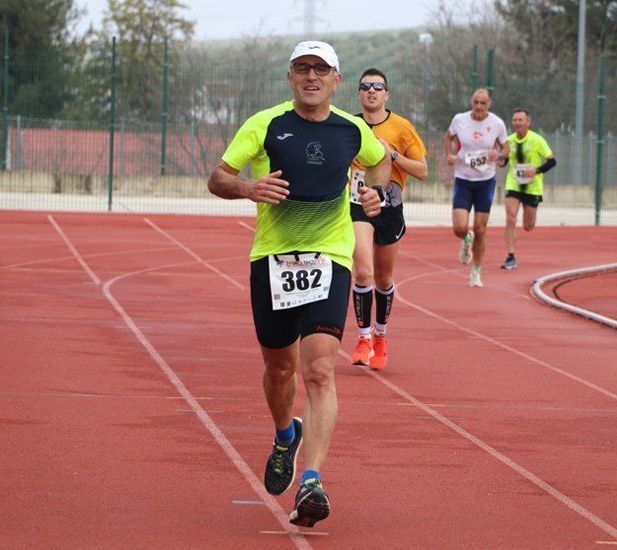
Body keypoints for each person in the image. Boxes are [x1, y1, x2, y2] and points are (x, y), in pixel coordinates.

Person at [207, 41, 389, 528]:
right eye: (303, 69)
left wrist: (371, 192)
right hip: (271, 260)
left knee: (320, 370)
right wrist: (249, 187)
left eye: (321, 70)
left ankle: (312, 481)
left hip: (330, 256)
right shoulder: (265, 124)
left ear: (336, 79)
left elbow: (381, 161)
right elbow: (218, 177)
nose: (312, 77)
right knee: (279, 369)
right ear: (291, 78)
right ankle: (286, 433)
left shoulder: (352, 130)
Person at [348, 68, 428, 370]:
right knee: (363, 272)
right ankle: (363, 337)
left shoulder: (401, 127)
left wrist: (392, 156)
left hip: (390, 208)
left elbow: (422, 170)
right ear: (359, 93)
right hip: (357, 206)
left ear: (386, 94)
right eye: (365, 87)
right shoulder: (350, 125)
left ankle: (380, 336)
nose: (371, 91)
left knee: (383, 278)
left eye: (377, 87)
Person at [444, 88, 508, 287]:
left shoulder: (497, 123)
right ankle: (466, 238)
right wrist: (450, 154)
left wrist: (498, 156)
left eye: (483, 103)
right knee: (459, 227)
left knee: (481, 229)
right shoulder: (460, 120)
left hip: (485, 181)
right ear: (471, 102)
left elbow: (506, 148)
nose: (479, 106)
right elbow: (449, 137)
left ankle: (476, 272)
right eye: (476, 102)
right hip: (463, 179)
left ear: (489, 104)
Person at [499, 108, 556, 270]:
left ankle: (529, 220)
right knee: (511, 217)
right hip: (514, 184)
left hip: (532, 187)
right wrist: (499, 160)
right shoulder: (508, 141)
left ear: (527, 122)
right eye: (515, 120)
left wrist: (536, 170)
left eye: (520, 120)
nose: (517, 123)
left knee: (528, 226)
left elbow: (552, 161)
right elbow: (503, 162)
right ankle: (510, 256)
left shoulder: (537, 140)